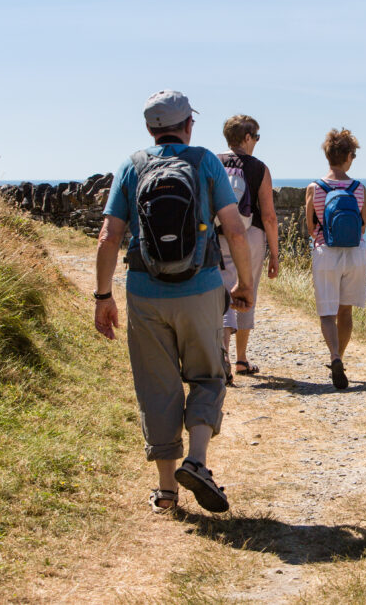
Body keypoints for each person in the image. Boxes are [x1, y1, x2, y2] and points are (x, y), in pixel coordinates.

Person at [94, 89, 254, 514]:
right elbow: (235, 230)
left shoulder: (132, 166)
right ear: (188, 126)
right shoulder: (205, 163)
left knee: (157, 387)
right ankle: (197, 461)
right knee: (208, 375)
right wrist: (244, 283)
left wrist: (103, 296)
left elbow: (109, 236)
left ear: (150, 129)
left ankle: (167, 492)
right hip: (200, 287)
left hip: (146, 292)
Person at [216, 114, 280, 383]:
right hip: (251, 234)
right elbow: (268, 216)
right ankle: (241, 359)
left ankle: (223, 357)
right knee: (247, 291)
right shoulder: (259, 168)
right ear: (246, 137)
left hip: (220, 234)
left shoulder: (213, 162)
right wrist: (275, 254)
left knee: (221, 292)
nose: (257, 141)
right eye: (256, 136)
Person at [304, 128, 366, 389]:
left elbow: (309, 226)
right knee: (346, 310)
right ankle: (339, 358)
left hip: (326, 252)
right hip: (355, 254)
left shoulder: (315, 188)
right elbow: (363, 226)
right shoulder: (359, 188)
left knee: (327, 313)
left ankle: (334, 356)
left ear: (328, 155)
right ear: (348, 156)